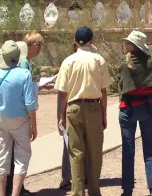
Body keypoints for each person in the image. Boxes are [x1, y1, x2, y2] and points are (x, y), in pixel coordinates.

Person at [55, 27, 109, 196]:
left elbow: (62, 92)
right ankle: (94, 191)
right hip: (94, 107)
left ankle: (78, 191)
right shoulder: (98, 60)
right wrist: (104, 113)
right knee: (95, 152)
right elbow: (104, 90)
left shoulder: (68, 61)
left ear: (75, 40)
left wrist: (60, 116)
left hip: (74, 108)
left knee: (76, 153)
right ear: (91, 40)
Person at [0, 39, 39, 196]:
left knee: (2, 158)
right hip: (20, 120)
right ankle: (16, 193)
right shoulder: (24, 74)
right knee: (22, 157)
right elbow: (30, 103)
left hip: (1, 119)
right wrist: (34, 125)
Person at [118, 31, 152, 196]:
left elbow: (121, 86)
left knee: (128, 149)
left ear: (134, 46)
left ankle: (127, 190)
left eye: (128, 43)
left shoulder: (125, 64)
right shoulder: (150, 63)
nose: (125, 45)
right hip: (147, 107)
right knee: (149, 148)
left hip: (128, 109)